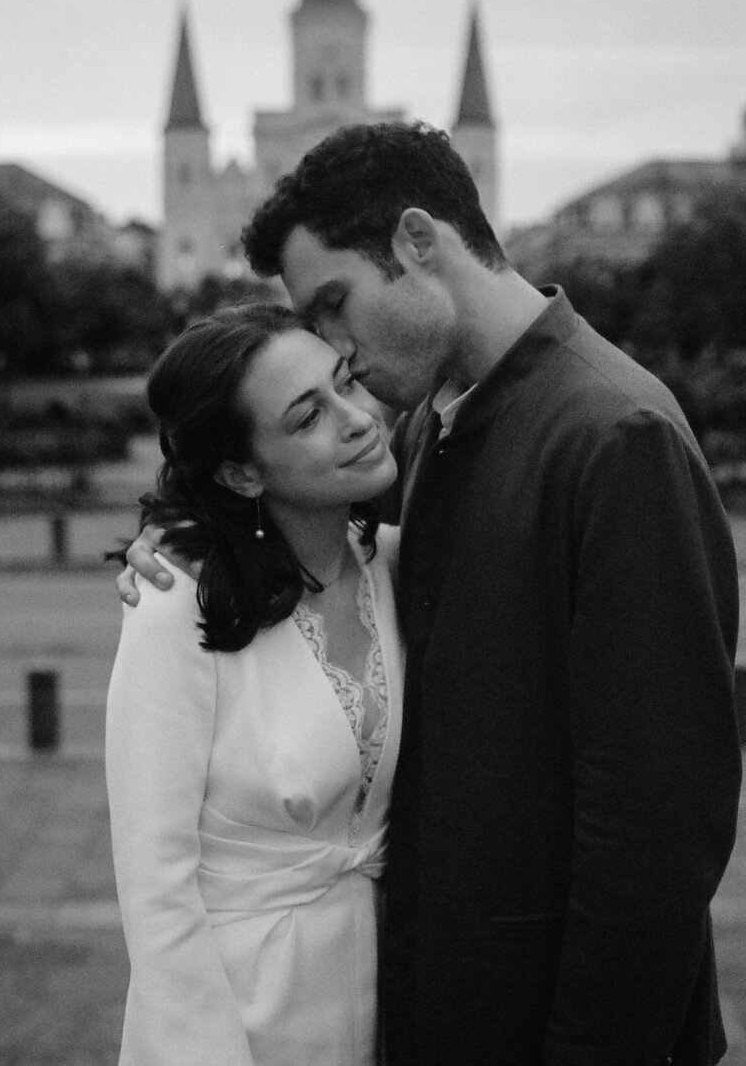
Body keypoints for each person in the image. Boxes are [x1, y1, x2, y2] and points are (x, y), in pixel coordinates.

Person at [120, 122, 742, 1065]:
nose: (337, 352)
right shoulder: (431, 431)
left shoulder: (616, 436)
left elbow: (657, 834)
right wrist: (175, 543)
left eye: (335, 305)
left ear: (419, 242)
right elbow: (307, 533)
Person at [106, 303, 404, 1066]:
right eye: (308, 417)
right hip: (240, 1011)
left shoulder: (397, 565)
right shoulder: (177, 598)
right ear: (242, 471)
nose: (358, 418)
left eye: (345, 384)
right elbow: (156, 886)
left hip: (387, 996)